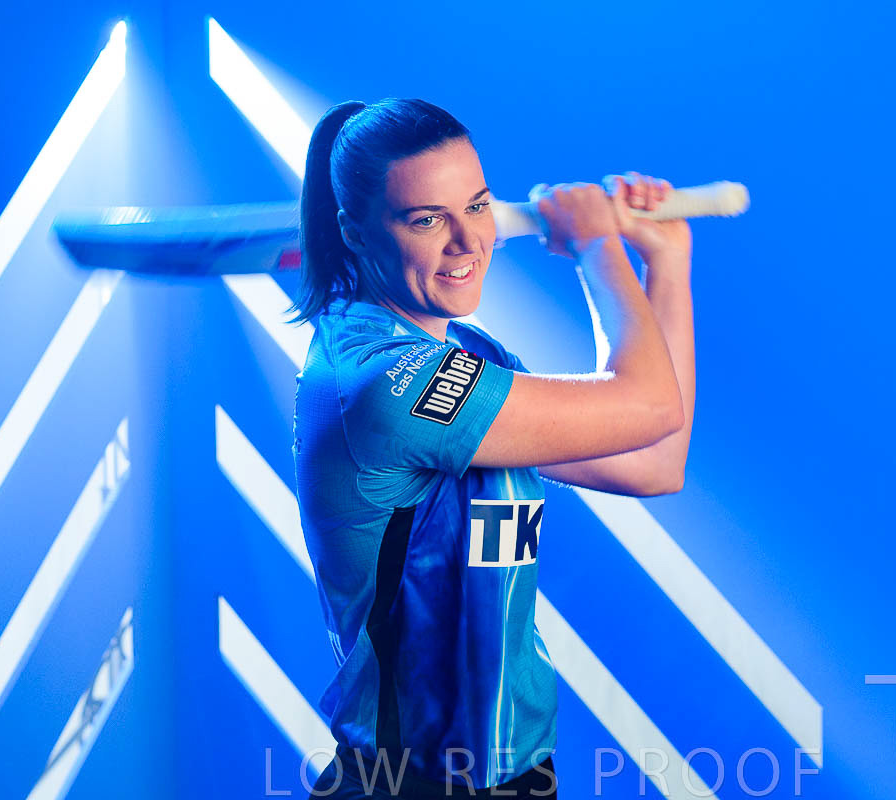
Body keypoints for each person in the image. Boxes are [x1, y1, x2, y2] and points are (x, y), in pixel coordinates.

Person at [290, 98, 695, 799]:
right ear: (354, 232)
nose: (467, 242)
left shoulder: (469, 358)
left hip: (514, 772)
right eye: (427, 219)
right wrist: (598, 247)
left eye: (476, 207)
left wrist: (666, 262)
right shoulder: (388, 383)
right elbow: (650, 405)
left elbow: (653, 458)